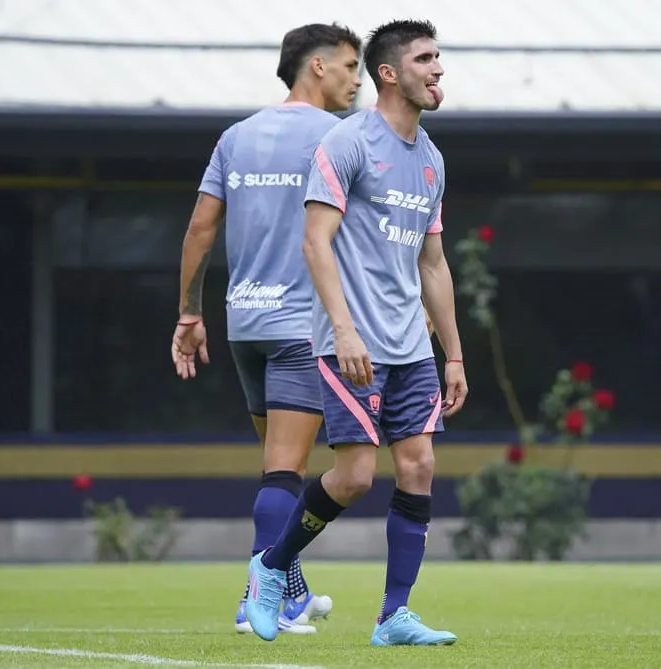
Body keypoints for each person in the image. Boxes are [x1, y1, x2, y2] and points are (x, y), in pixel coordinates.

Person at [244, 19, 467, 646]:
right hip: (350, 343)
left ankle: (393, 615)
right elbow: (316, 242)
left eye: (439, 57)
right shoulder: (346, 144)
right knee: (355, 477)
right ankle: (272, 566)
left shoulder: (431, 160)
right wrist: (341, 329)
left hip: (410, 346)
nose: (439, 68)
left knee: (419, 465)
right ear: (389, 73)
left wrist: (454, 354)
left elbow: (433, 262)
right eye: (426, 58)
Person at [171, 22, 363, 636]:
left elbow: (201, 230)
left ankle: (294, 589)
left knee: (283, 467)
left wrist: (189, 313)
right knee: (285, 472)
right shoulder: (342, 137)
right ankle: (262, 600)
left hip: (244, 323)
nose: (357, 80)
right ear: (317, 67)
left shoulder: (237, 136)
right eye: (350, 66)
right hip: (300, 328)